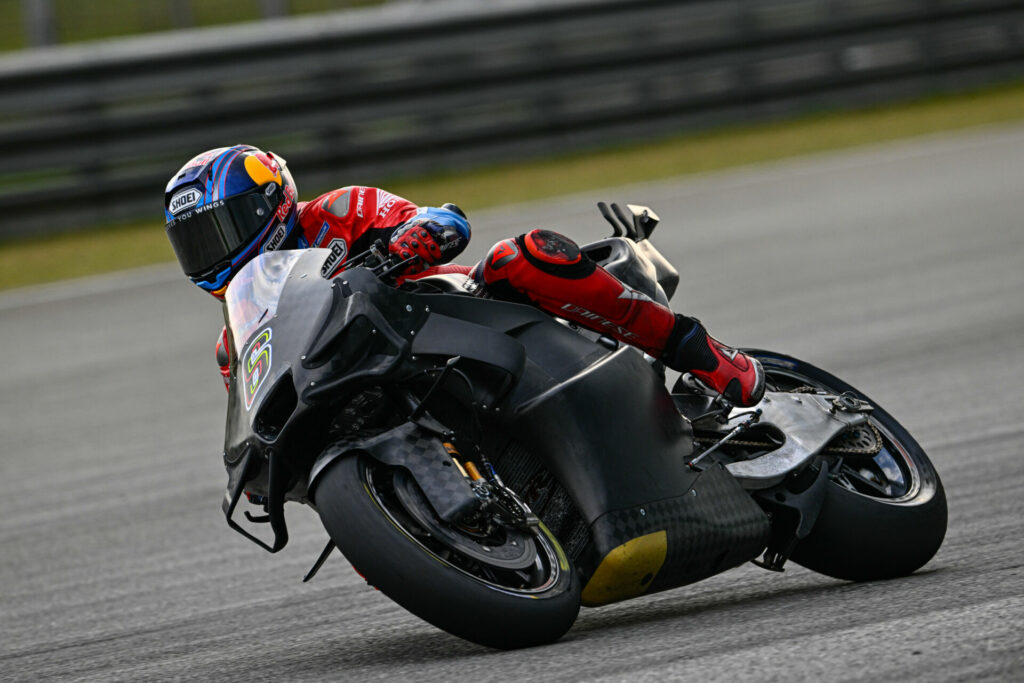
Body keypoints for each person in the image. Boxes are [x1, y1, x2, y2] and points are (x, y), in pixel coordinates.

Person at [164, 144, 764, 406]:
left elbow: (440, 219)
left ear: (271, 203)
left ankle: (704, 354)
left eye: (223, 227)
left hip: (453, 311)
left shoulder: (339, 212)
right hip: (375, 378)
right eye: (197, 243)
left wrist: (414, 239)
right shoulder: (237, 340)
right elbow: (262, 407)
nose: (217, 250)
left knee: (522, 256)